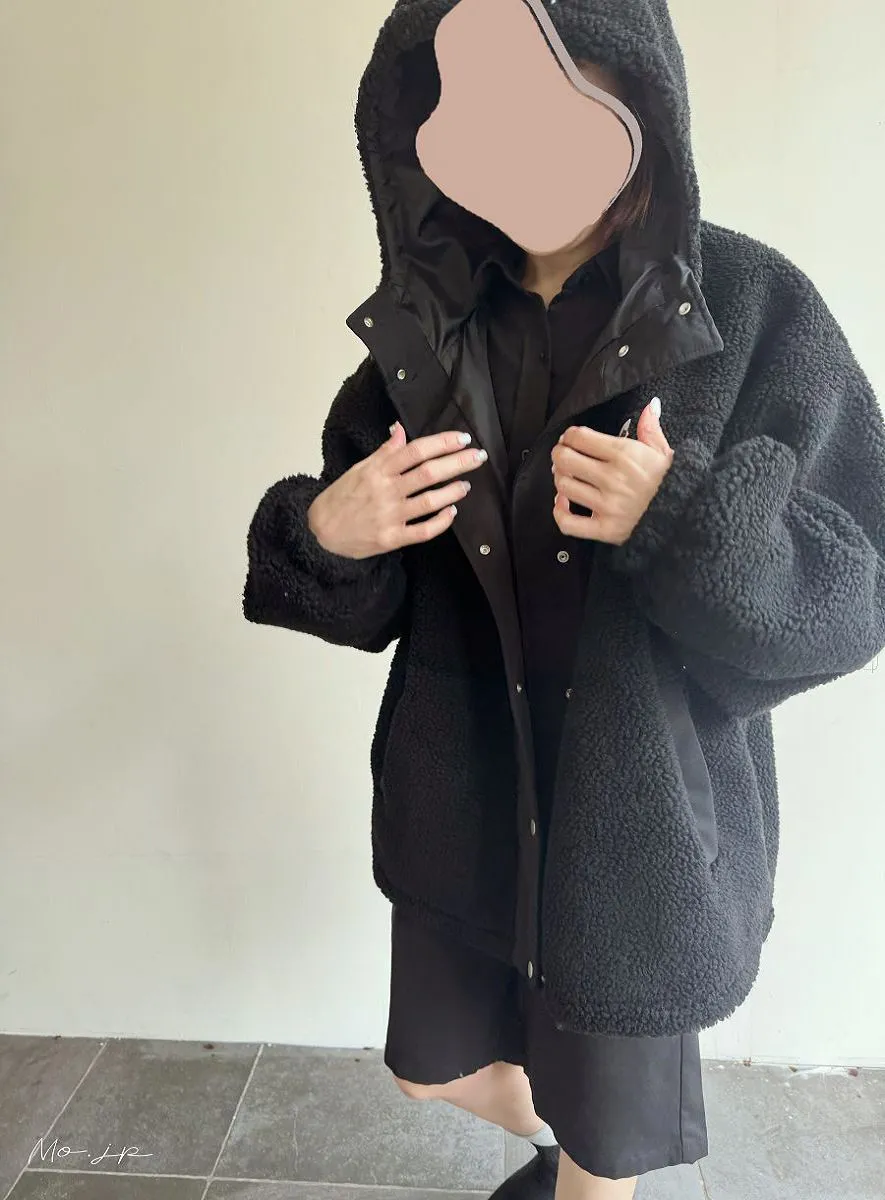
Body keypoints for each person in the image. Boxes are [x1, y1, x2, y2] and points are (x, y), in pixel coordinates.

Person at [243, 1, 885, 1197]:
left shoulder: (750, 309)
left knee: (605, 1155)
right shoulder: (430, 327)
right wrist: (326, 535)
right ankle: (572, 1145)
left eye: (565, 99)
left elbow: (856, 582)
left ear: (637, 100)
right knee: (429, 1073)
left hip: (637, 828)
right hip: (466, 805)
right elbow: (369, 590)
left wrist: (680, 522)